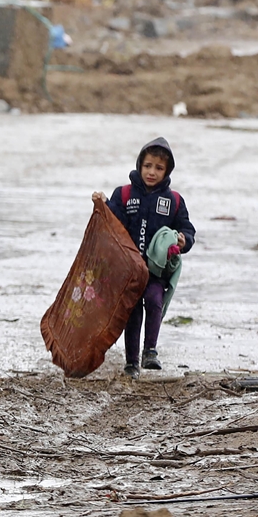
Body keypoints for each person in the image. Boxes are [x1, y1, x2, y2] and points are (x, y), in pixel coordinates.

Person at [92, 137, 196, 379]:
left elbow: (187, 229)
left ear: (167, 171)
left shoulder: (174, 201)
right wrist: (104, 204)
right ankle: (131, 363)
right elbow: (112, 222)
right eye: (148, 166)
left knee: (155, 300)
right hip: (129, 270)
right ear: (140, 165)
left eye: (159, 168)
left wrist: (184, 239)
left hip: (156, 271)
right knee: (132, 313)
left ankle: (150, 350)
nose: (152, 172)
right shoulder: (125, 194)